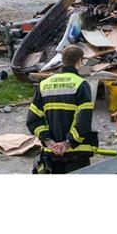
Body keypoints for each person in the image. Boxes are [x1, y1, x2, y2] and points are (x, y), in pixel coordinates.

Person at [26, 45, 97, 173]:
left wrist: (49, 142)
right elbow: (83, 122)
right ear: (79, 61)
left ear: (62, 60)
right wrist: (66, 143)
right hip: (76, 154)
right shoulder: (81, 84)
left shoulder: (44, 84)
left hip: (51, 154)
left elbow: (33, 120)